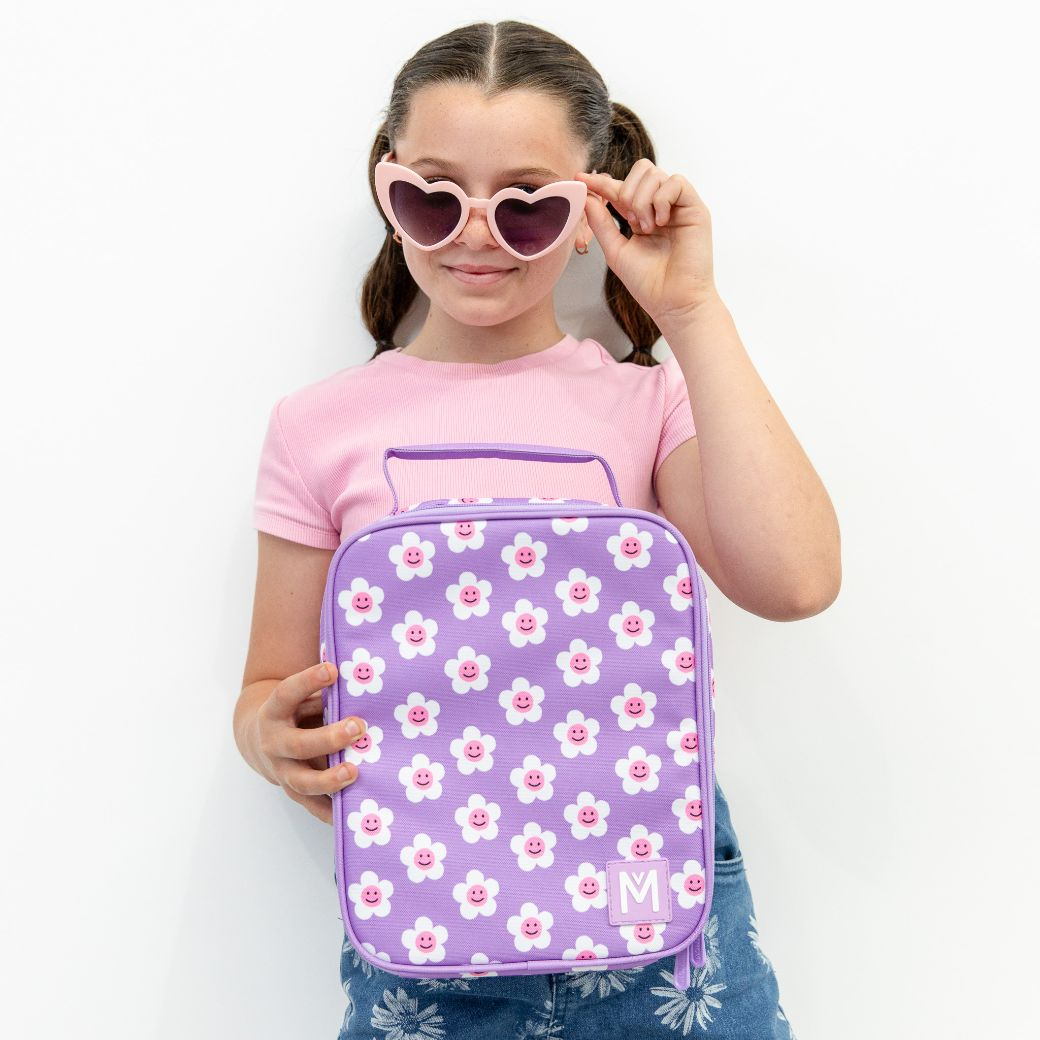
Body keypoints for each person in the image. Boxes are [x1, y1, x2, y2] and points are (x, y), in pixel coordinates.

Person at [234, 19, 839, 1039]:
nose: (474, 232)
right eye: (431, 196)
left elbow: (796, 578)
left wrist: (690, 312)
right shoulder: (315, 426)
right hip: (425, 913)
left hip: (651, 895)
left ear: (585, 210)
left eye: (525, 206)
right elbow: (268, 683)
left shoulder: (644, 403)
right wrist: (266, 736)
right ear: (385, 194)